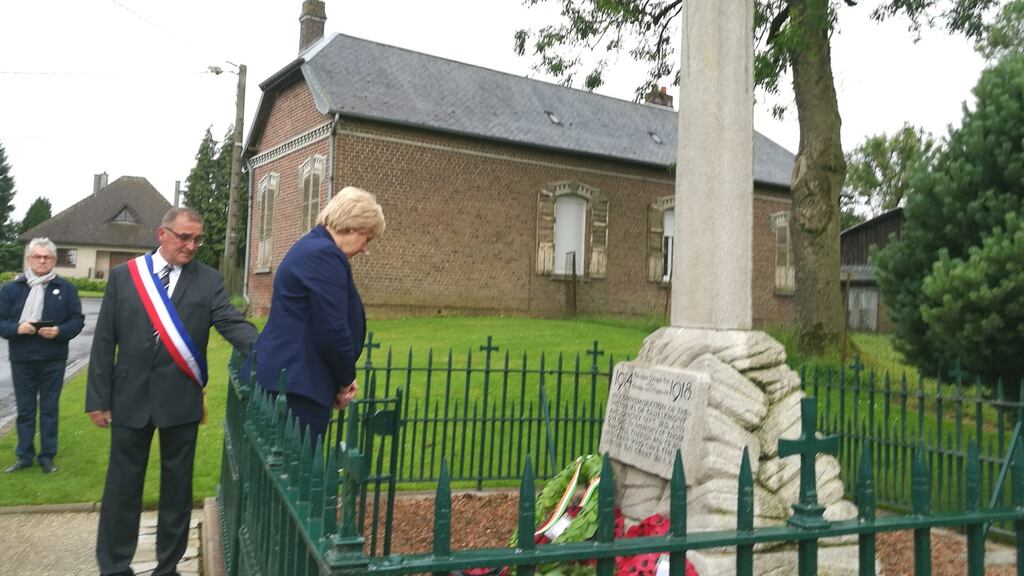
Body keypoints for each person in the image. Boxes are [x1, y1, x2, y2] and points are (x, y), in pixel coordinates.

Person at [86, 207, 258, 576]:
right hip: (129, 397)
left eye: (197, 239)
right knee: (121, 488)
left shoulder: (208, 280)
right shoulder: (124, 277)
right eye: (184, 237)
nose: (192, 245)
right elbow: (104, 341)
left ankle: (167, 567)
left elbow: (231, 322)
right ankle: (115, 565)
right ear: (162, 234)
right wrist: (98, 398)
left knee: (177, 490)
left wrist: (270, 354)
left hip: (180, 397)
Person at [253, 186, 384, 442]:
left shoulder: (311, 247)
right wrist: (345, 381)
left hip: (290, 381)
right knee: (294, 474)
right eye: (367, 238)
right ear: (351, 226)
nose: (365, 249)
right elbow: (332, 328)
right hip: (297, 389)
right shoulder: (325, 254)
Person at [0, 238, 85, 474]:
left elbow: (77, 321)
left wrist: (59, 331)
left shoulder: (66, 289)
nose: (41, 261)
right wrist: (17, 328)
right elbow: (1, 322)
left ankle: (47, 457)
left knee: (49, 409)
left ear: (54, 261)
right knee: (25, 410)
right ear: (29, 259)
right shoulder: (11, 289)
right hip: (22, 358)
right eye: (37, 256)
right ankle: (24, 456)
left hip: (53, 359)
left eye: (46, 257)